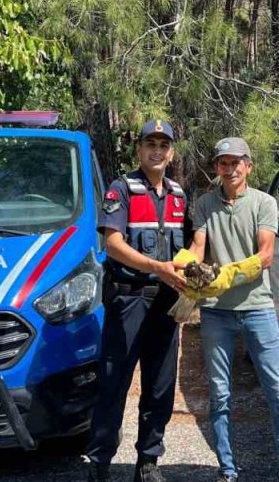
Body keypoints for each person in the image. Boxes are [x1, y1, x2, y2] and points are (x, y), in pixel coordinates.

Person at [187, 137, 279, 482]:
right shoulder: (205, 204)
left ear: (248, 166)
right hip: (215, 312)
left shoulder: (264, 203)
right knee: (219, 394)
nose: (230, 168)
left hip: (258, 308)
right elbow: (197, 246)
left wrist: (224, 274)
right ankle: (227, 468)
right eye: (223, 163)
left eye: (236, 162)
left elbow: (265, 255)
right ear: (216, 168)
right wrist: (184, 268)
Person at [84, 119, 190, 482]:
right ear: (139, 149)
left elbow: (188, 249)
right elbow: (112, 245)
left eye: (163, 145)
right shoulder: (122, 189)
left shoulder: (178, 194)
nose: (157, 151)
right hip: (129, 300)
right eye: (150, 144)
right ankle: (99, 463)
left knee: (160, 386)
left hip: (166, 302)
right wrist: (157, 267)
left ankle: (148, 462)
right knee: (114, 383)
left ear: (171, 152)